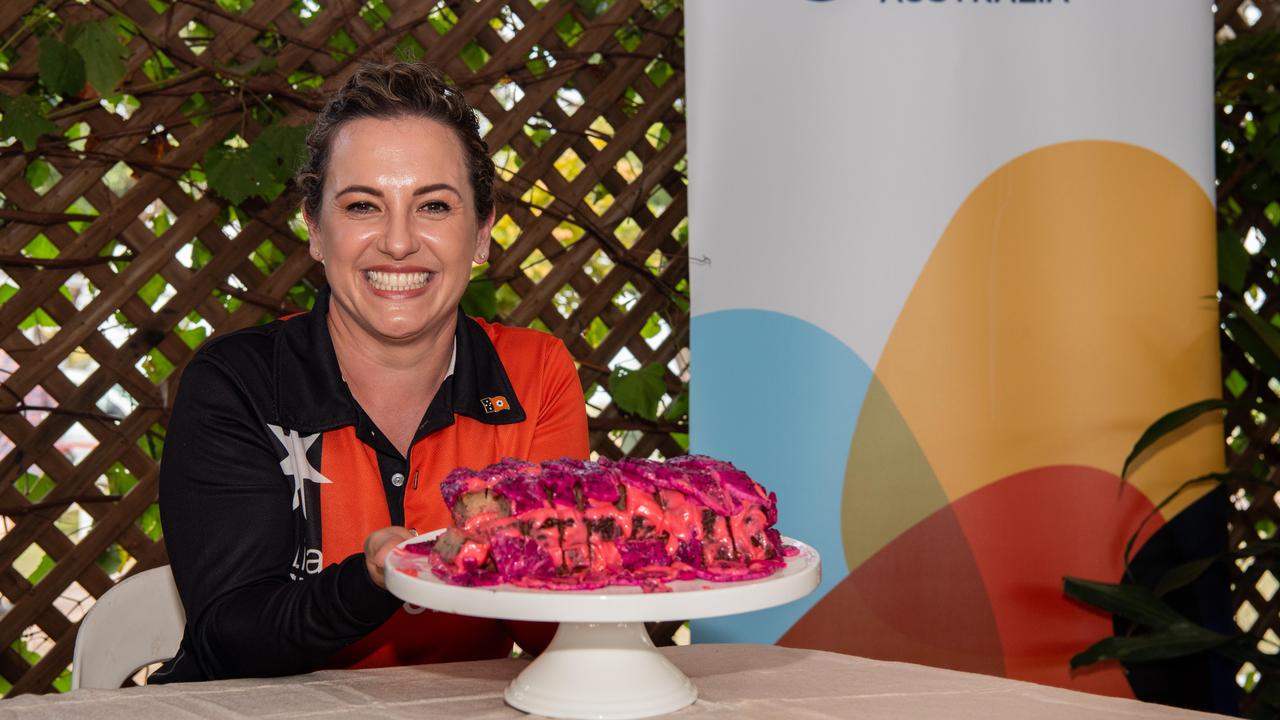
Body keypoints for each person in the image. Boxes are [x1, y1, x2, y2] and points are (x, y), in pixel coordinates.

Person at [151, 62, 589, 682]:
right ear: (315, 229)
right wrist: (371, 580)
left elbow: (553, 632)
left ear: (483, 233)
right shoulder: (237, 382)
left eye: (433, 205)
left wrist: (539, 552)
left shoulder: (535, 371)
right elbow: (231, 637)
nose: (399, 242)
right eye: (362, 206)